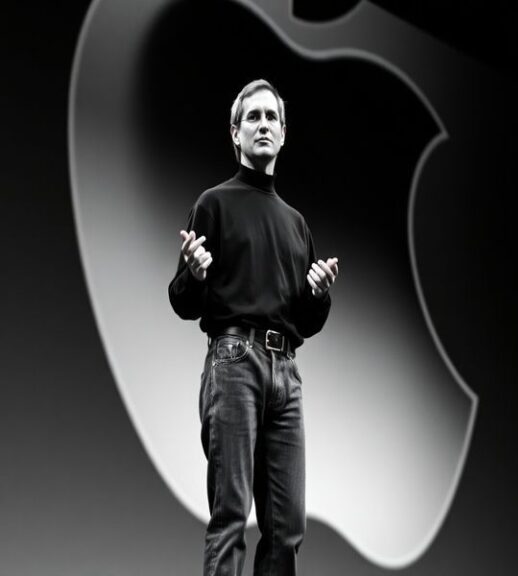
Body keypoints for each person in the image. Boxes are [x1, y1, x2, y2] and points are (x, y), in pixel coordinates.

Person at [168, 79, 339, 576]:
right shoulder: (214, 204)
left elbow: (304, 320)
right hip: (234, 362)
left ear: (283, 135)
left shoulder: (296, 223)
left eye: (272, 118)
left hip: (287, 372)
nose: (263, 124)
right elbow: (183, 302)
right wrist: (194, 274)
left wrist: (317, 293)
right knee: (230, 518)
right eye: (253, 117)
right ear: (235, 134)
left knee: (286, 531)